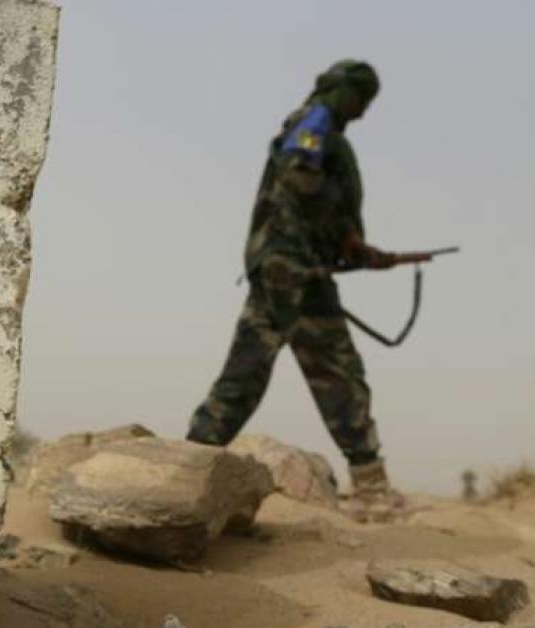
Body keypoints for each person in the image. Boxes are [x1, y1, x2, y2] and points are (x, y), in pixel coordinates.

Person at [186, 60, 428, 522]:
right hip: (289, 271)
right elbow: (299, 172)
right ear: (340, 90)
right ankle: (190, 464)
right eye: (360, 97)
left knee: (298, 374)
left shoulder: (332, 136)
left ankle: (191, 461)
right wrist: (344, 235)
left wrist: (366, 253)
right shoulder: (315, 120)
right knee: (300, 374)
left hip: (303, 271)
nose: (363, 110)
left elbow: (325, 220)